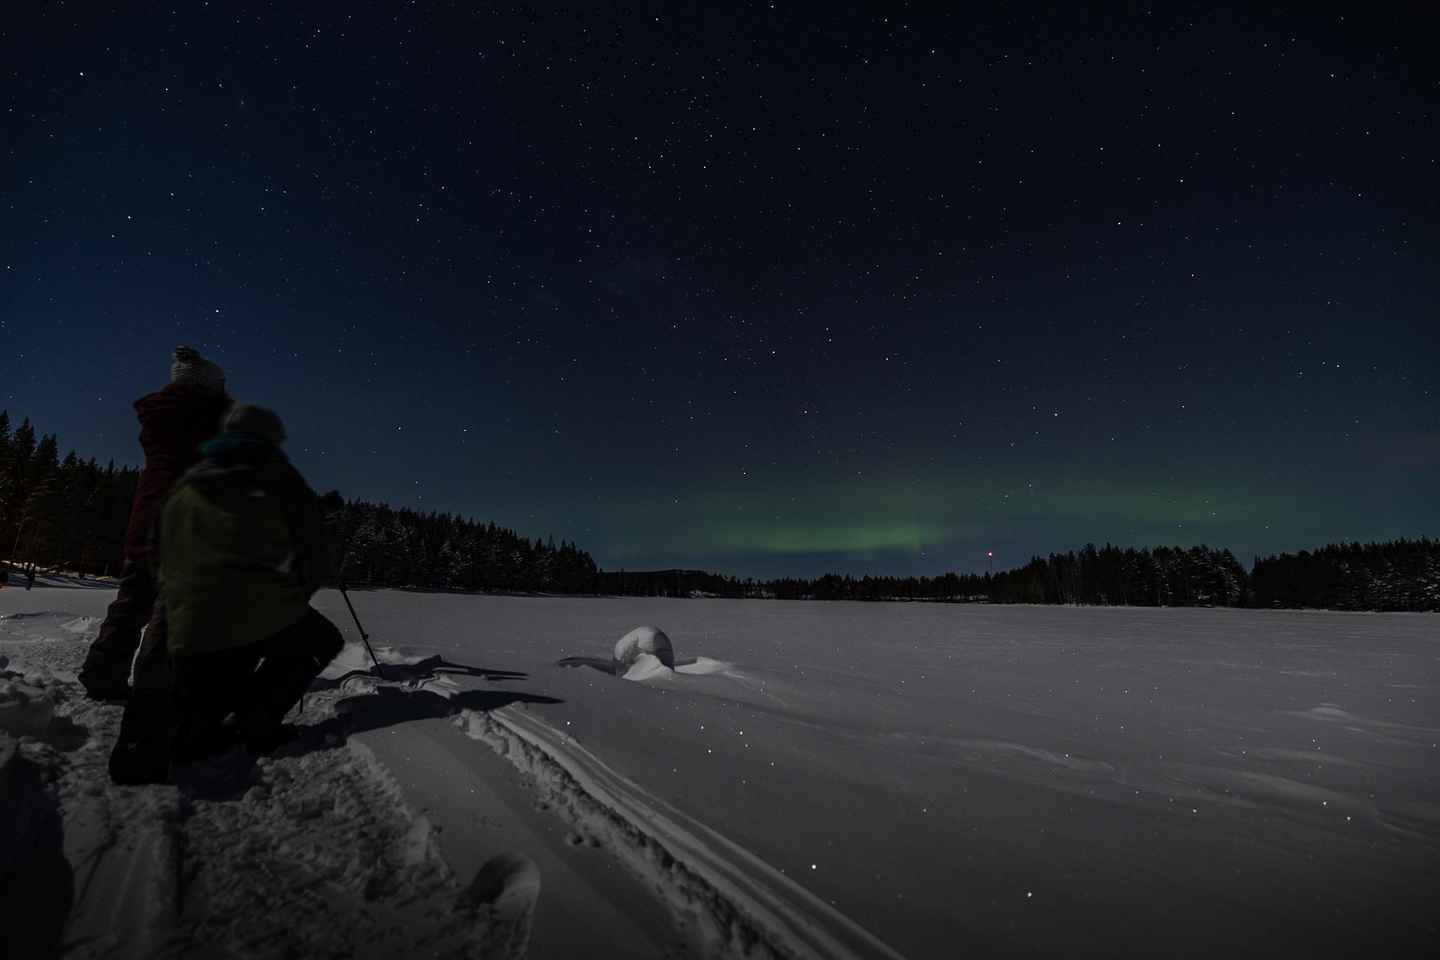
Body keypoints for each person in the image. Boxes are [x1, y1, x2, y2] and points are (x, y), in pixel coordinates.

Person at [156, 404, 341, 765]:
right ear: (270, 438)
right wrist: (292, 598)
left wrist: (176, 598)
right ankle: (257, 722)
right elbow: (313, 557)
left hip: (188, 615)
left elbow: (159, 550)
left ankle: (203, 726)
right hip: (253, 611)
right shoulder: (279, 478)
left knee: (229, 650)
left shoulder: (188, 483)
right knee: (321, 639)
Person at [79, 346, 231, 701]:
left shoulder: (162, 418)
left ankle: (101, 673)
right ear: (204, 387)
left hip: (146, 525)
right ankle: (152, 694)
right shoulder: (206, 422)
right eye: (220, 385)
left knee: (131, 605)